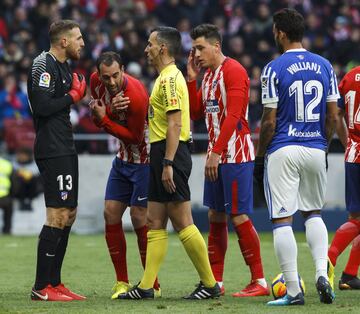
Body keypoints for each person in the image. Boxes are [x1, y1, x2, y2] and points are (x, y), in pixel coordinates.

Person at [119, 26, 220, 300]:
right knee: (154, 220)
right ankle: (146, 287)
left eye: (150, 44)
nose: (146, 49)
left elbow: (175, 123)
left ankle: (210, 284)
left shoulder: (170, 79)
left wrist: (167, 163)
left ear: (162, 48)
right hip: (161, 152)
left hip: (170, 153)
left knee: (182, 220)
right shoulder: (164, 77)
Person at [255, 8, 339, 306]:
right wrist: (322, 144)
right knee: (313, 213)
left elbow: (268, 121)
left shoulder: (273, 69)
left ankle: (293, 291)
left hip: (284, 148)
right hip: (315, 147)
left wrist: (261, 153)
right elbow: (332, 115)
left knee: (282, 219)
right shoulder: (325, 65)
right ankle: (320, 272)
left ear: (279, 32)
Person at [186, 23, 269, 297]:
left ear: (216, 46)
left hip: (235, 156)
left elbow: (234, 116)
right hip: (217, 155)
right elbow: (197, 113)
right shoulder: (208, 76)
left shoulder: (234, 71)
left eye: (200, 48)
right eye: (193, 48)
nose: (196, 53)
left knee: (238, 215)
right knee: (215, 215)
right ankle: (216, 282)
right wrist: (190, 79)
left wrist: (217, 152)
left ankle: (259, 281)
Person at [89, 51, 160, 299]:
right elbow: (96, 117)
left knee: (139, 218)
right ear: (99, 74)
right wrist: (104, 111)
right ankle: (121, 281)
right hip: (123, 159)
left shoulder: (136, 95)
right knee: (110, 213)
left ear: (123, 71)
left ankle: (153, 284)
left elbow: (136, 137)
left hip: (145, 159)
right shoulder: (95, 82)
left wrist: (105, 118)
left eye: (116, 76)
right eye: (106, 77)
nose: (111, 82)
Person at [27, 20, 86, 301]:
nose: (82, 43)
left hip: (65, 145)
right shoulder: (43, 65)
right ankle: (41, 287)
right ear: (64, 41)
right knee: (57, 214)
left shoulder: (65, 66)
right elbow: (41, 106)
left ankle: (55, 282)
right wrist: (73, 97)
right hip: (52, 148)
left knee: (69, 214)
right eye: (78, 38)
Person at [328, 65, 360, 290]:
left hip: (353, 153)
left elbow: (336, 114)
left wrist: (347, 141)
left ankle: (349, 275)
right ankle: (328, 259)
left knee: (356, 216)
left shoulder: (350, 76)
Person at [12, 146, 43, 211]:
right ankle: (22, 200)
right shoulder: (13, 164)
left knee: (33, 179)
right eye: (19, 155)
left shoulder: (35, 165)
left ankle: (29, 201)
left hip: (33, 190)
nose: (21, 157)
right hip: (18, 190)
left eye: (23, 155)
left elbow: (37, 175)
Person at [0, 156, 14, 234]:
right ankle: (7, 230)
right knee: (8, 213)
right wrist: (12, 194)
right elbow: (14, 181)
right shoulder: (6, 164)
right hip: (4, 196)